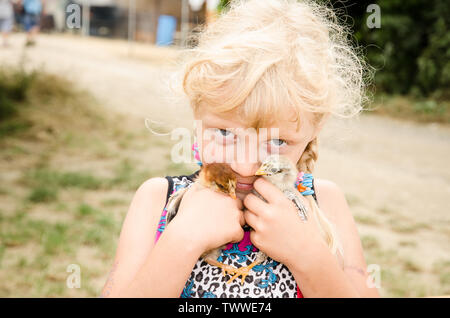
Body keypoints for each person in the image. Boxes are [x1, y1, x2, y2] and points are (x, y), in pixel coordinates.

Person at [101, 0, 380, 298]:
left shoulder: (326, 204)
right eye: (224, 133)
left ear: (315, 130)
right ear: (197, 114)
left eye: (277, 142)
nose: (246, 167)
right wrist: (182, 240)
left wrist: (309, 256)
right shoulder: (158, 200)